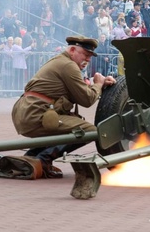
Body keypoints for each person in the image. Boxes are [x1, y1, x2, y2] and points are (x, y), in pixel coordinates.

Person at [10, 36, 116, 178]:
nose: (88, 59)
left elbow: (76, 89)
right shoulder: (68, 65)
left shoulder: (62, 61)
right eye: (85, 54)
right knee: (90, 131)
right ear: (72, 50)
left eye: (90, 56)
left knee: (70, 125)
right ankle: (43, 161)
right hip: (35, 115)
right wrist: (98, 83)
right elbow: (87, 99)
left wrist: (98, 84)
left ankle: (31, 157)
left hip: (28, 112)